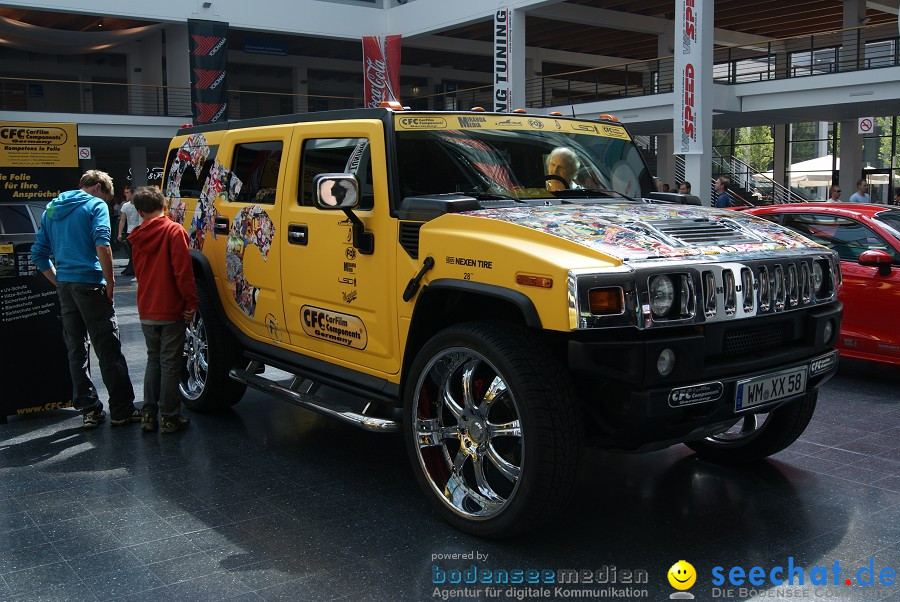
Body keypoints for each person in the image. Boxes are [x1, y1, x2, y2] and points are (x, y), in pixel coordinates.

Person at [30, 170, 139, 429]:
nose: (107, 201)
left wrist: (59, 281)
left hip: (66, 285)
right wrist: (110, 282)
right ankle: (122, 410)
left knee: (76, 348)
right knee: (107, 346)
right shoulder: (95, 205)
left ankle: (90, 410)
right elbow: (103, 245)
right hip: (90, 283)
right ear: (98, 187)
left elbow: (38, 254)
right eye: (107, 195)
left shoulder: (52, 209)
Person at [128, 186, 198, 434]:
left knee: (153, 360)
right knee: (170, 363)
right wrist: (191, 303)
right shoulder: (173, 230)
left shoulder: (137, 236)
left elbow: (140, 272)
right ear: (164, 204)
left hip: (147, 306)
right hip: (169, 307)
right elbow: (183, 272)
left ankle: (148, 414)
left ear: (139, 211)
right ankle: (169, 416)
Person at [117, 184, 141, 279]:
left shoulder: (139, 205)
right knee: (132, 252)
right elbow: (122, 220)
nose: (126, 195)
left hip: (137, 230)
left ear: (133, 194)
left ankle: (135, 270)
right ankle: (134, 270)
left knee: (135, 253)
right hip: (130, 231)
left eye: (127, 193)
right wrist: (119, 233)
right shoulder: (126, 206)